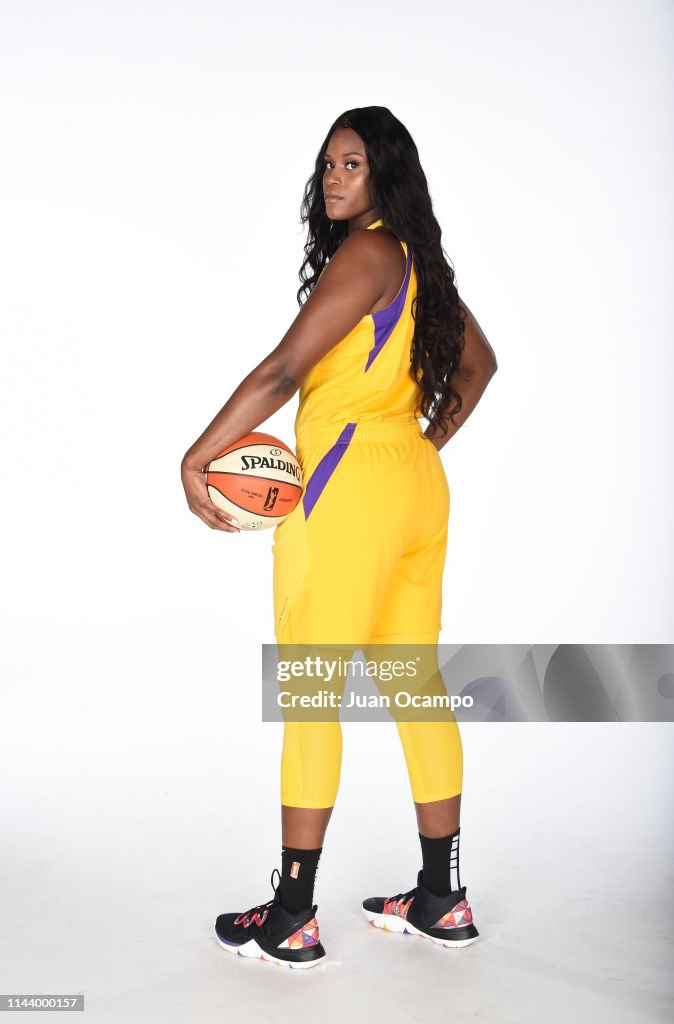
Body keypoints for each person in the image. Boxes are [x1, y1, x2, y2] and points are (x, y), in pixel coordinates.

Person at [180, 106, 498, 970]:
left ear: (384, 173)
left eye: (351, 164)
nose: (332, 178)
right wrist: (416, 445)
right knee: (415, 685)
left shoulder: (366, 255)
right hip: (415, 489)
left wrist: (199, 457)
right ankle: (443, 898)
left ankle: (291, 915)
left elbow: (282, 371)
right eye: (326, 164)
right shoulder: (419, 264)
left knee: (313, 691)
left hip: (349, 492)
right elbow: (478, 366)